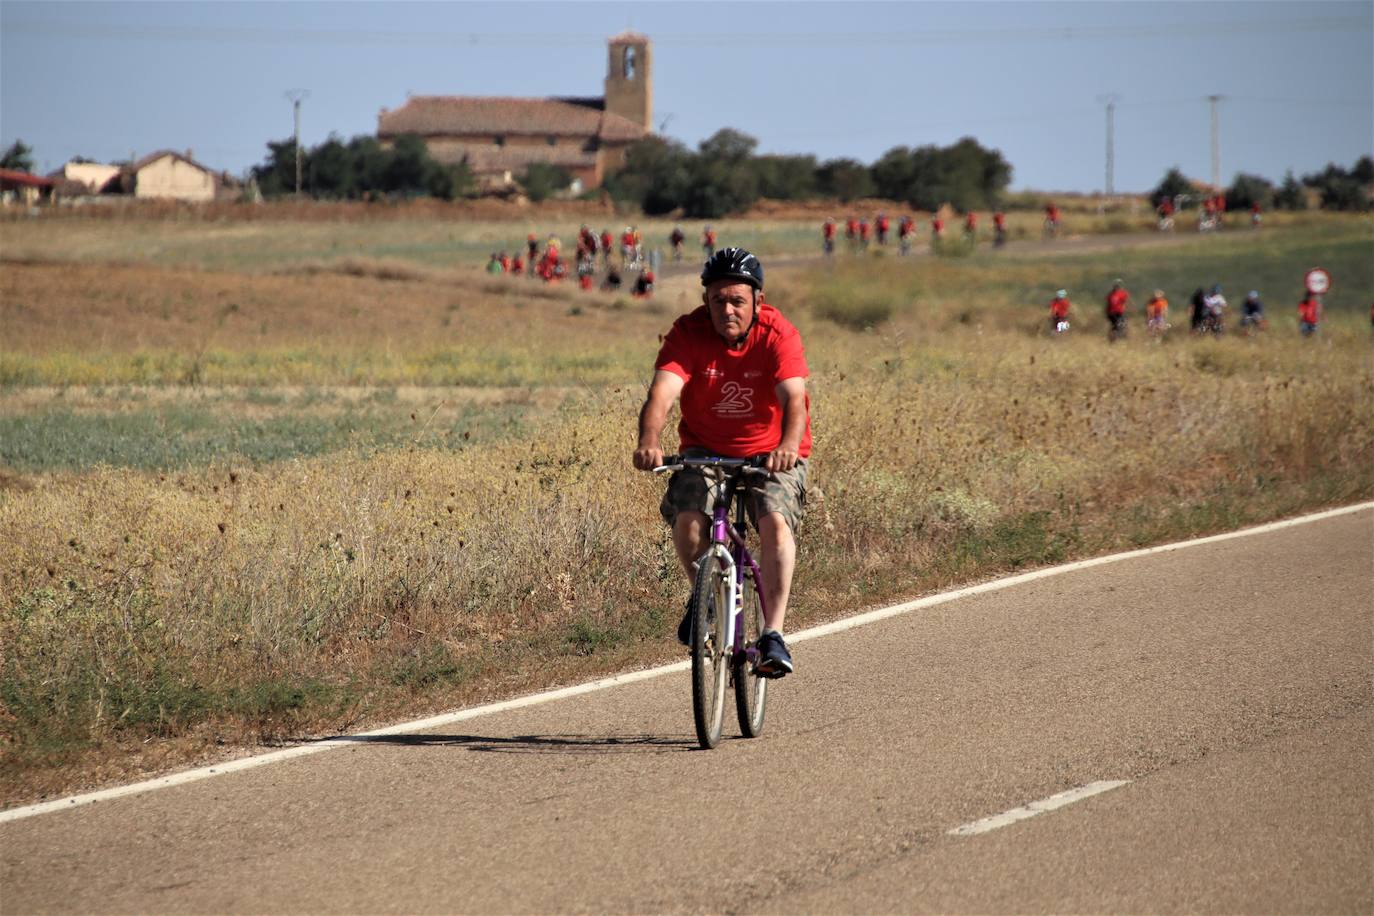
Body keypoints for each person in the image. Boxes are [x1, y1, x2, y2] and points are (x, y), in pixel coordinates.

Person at [633, 247, 811, 678]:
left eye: (737, 301)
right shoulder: (688, 332)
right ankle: (705, 597)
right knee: (690, 523)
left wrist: (787, 444)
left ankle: (772, 633)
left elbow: (794, 398)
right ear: (705, 300)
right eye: (717, 300)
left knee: (774, 524)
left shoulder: (778, 333)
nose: (727, 310)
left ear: (757, 301)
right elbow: (662, 393)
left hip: (771, 453)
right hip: (704, 450)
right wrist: (649, 439)